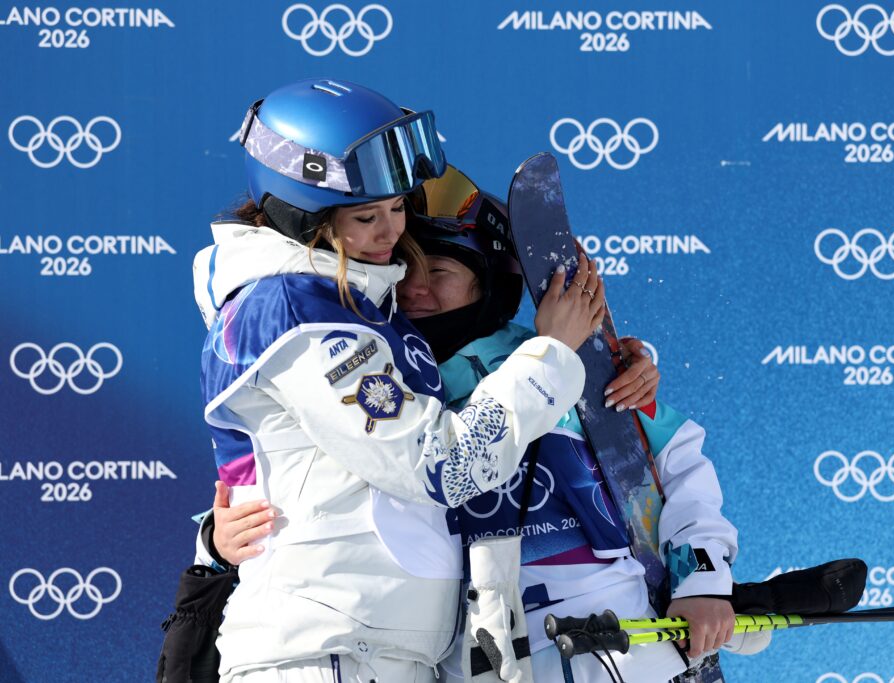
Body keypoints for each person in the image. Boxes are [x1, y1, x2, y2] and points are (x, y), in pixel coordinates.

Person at [210, 166, 741, 682]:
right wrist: (215, 538)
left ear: (489, 278)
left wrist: (704, 579)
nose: (415, 289)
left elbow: (677, 468)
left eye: (438, 271)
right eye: (406, 268)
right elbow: (306, 484)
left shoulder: (570, 364)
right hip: (470, 656)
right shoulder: (377, 376)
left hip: (620, 646)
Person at [191, 78, 605, 683]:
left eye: (396, 206)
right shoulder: (302, 315)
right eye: (366, 216)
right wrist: (550, 356)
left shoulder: (342, 300)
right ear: (298, 216)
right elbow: (442, 466)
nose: (391, 232)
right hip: (329, 652)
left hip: (365, 647)